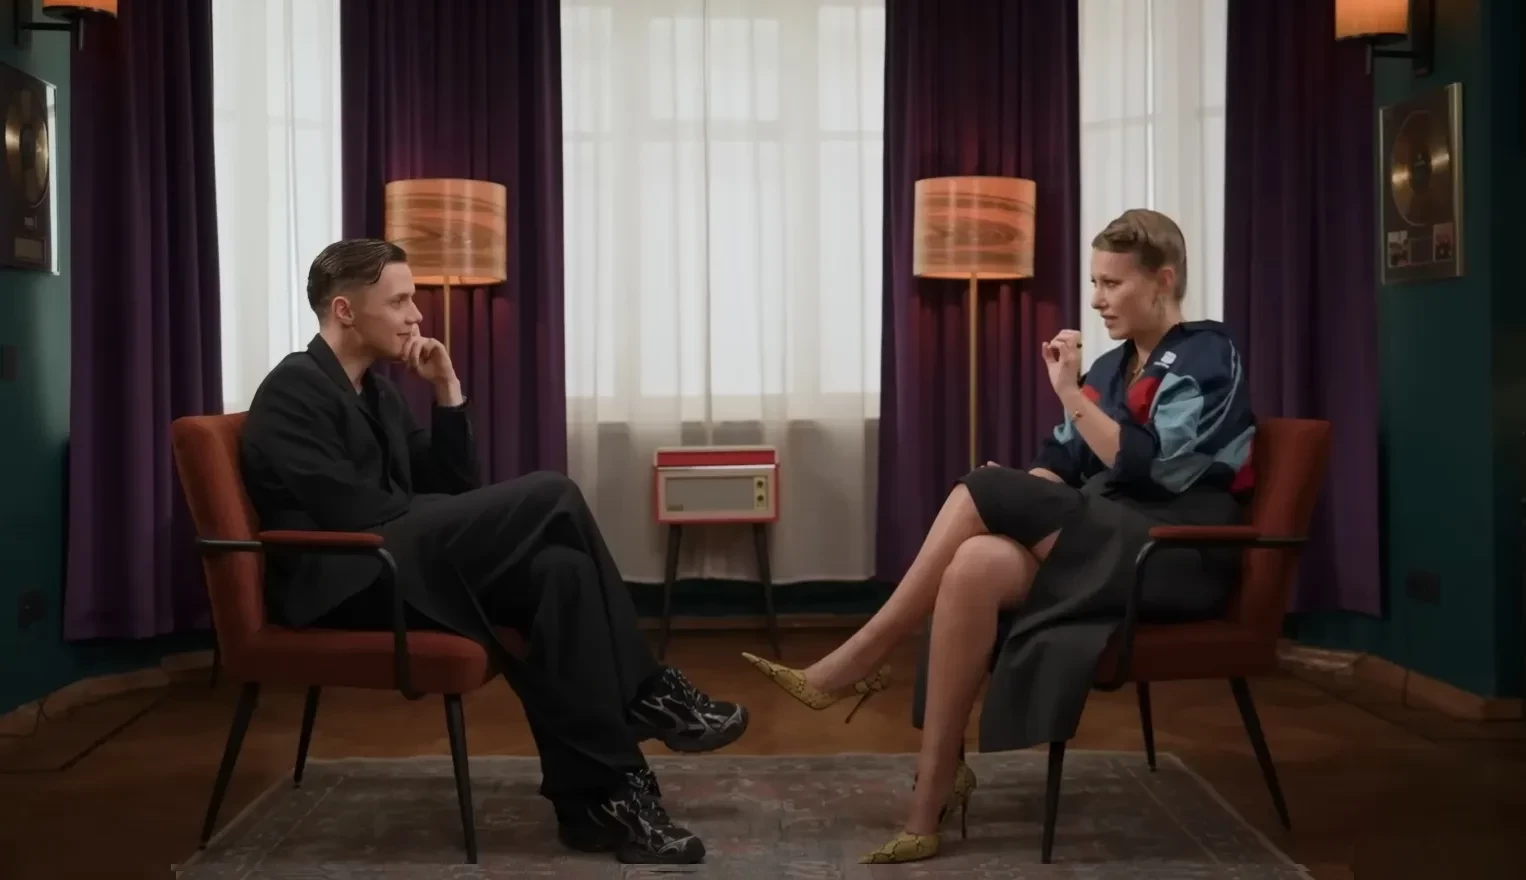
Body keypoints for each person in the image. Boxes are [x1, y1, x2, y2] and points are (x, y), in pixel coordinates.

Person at [742, 208, 1255, 864]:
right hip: (1110, 538)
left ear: (1164, 280)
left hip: (1177, 550)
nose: (1097, 299)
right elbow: (1061, 462)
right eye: (1094, 282)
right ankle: (931, 799)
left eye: (1112, 284)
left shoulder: (1209, 353)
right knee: (975, 561)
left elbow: (1148, 465)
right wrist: (1019, 491)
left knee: (985, 489)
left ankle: (858, 661)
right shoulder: (1110, 368)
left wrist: (1066, 396)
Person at [240, 238, 749, 865]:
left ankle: (600, 804)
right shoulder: (293, 389)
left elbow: (453, 488)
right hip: (349, 579)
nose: (415, 316)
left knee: (561, 572)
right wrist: (450, 517)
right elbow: (355, 514)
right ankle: (648, 690)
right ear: (344, 310)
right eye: (399, 301)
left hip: (399, 560)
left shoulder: (379, 393)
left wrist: (447, 390)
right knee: (553, 494)